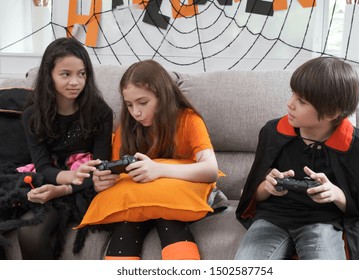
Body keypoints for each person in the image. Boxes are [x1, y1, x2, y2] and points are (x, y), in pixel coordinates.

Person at [235, 57, 359, 260]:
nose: (290, 104)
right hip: (272, 217)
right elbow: (252, 195)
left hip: (323, 221)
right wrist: (266, 187)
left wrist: (335, 194)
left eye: (302, 101)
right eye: (292, 94)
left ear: (332, 112)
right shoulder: (273, 132)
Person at [90, 59, 219, 260]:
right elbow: (117, 176)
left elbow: (210, 169)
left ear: (163, 96)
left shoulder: (189, 120)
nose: (136, 112)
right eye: (129, 105)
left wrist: (158, 170)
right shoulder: (127, 129)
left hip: (181, 199)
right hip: (139, 201)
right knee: (126, 227)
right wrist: (102, 182)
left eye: (143, 103)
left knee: (170, 220)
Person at [18, 37, 113, 259]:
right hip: (50, 177)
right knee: (30, 231)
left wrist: (67, 187)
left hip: (87, 188)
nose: (75, 82)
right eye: (66, 74)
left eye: (81, 74)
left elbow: (100, 169)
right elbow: (42, 166)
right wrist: (65, 178)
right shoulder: (33, 115)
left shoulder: (100, 112)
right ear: (49, 75)